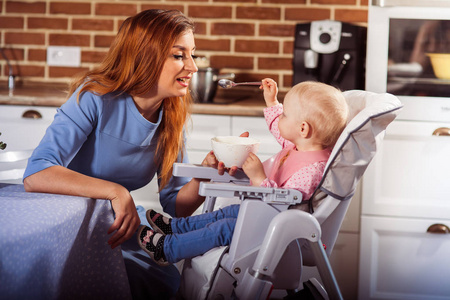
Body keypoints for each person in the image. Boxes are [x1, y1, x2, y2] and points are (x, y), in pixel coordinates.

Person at [22, 9, 236, 299]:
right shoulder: (93, 97)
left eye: (192, 55)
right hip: (68, 227)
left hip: (120, 226)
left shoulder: (171, 116)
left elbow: (176, 205)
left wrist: (204, 174)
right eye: (178, 55)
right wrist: (116, 191)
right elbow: (36, 173)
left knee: (167, 285)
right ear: (144, 56)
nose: (192, 67)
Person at [137, 79, 349, 266]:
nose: (281, 117)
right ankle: (176, 227)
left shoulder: (314, 169)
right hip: (266, 218)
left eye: (285, 114)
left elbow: (287, 201)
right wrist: (272, 102)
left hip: (280, 231)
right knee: (226, 214)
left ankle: (168, 249)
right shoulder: (298, 146)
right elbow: (279, 128)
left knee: (225, 228)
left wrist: (259, 178)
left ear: (303, 129)